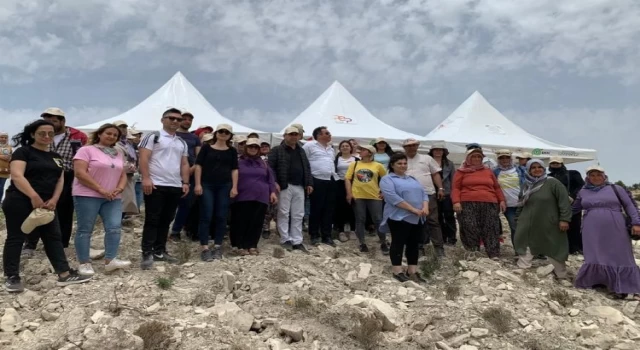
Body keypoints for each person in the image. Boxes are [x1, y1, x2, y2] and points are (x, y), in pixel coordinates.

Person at [3, 120, 92, 292]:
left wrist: (55, 199)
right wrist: (33, 196)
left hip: (47, 203)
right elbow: (17, 176)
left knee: (53, 237)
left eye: (50, 133)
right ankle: (12, 276)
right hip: (20, 200)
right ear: (32, 134)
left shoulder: (55, 157)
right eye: (42, 133)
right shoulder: (23, 152)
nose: (46, 136)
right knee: (16, 237)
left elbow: (60, 179)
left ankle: (64, 274)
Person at [24, 108, 88, 255]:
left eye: (53, 121)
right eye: (47, 121)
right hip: (43, 174)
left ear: (62, 121)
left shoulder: (77, 136)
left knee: (65, 210)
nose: (49, 124)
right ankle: (30, 244)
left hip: (68, 174)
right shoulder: (40, 134)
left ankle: (62, 243)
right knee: (38, 208)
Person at [572, 166, 640, 299]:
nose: (596, 178)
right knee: (594, 254)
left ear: (604, 176)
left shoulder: (616, 188)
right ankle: (597, 281)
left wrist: (636, 223)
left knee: (619, 254)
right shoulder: (583, 191)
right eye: (592, 175)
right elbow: (575, 208)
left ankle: (623, 287)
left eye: (599, 175)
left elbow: (629, 205)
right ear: (587, 177)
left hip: (616, 226)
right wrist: (561, 218)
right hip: (591, 228)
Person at [73, 124, 131, 276]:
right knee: (85, 229)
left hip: (112, 196)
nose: (111, 137)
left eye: (115, 135)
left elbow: (122, 173)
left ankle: (110, 260)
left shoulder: (118, 153)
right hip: (87, 194)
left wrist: (119, 188)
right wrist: (101, 189)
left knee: (114, 227)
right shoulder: (86, 150)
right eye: (108, 133)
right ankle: (84, 263)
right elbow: (80, 173)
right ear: (99, 134)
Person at [138, 108, 190, 270]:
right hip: (156, 183)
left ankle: (160, 251)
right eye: (171, 118)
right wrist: (146, 178)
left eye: (178, 119)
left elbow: (184, 163)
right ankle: (147, 252)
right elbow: (143, 158)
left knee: (166, 219)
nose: (175, 121)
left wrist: (186, 182)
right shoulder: (153, 137)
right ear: (163, 120)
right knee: (153, 219)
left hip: (174, 185)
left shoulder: (181, 142)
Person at [514, 159, 571, 279]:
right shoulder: (526, 184)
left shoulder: (553, 183)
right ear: (529, 170)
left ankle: (561, 274)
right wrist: (518, 218)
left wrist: (564, 219)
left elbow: (564, 201)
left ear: (544, 169)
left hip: (548, 221)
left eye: (539, 167)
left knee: (553, 245)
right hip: (528, 221)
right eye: (533, 168)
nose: (537, 170)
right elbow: (521, 202)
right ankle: (522, 269)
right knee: (526, 242)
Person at [380, 153, 429, 283]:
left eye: (404, 163)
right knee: (398, 243)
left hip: (417, 217)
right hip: (399, 217)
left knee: (414, 244)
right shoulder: (387, 179)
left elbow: (424, 194)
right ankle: (397, 271)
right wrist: (412, 209)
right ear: (392, 165)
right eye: (399, 163)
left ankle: (412, 271)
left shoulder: (412, 178)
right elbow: (393, 198)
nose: (403, 166)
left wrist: (425, 207)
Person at [194, 124, 238, 261]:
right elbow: (198, 166)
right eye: (221, 131)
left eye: (226, 132)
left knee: (221, 216)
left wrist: (234, 186)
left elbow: (234, 169)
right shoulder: (206, 148)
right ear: (216, 133)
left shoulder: (232, 151)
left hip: (224, 185)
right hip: (207, 184)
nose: (223, 133)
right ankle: (205, 247)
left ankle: (218, 245)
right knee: (206, 214)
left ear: (230, 135)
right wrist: (197, 184)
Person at [452, 148, 506, 259]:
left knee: (491, 227)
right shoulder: (461, 172)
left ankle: (493, 253)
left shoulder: (488, 171)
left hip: (489, 202)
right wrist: (456, 201)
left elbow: (496, 187)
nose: (476, 159)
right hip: (467, 202)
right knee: (469, 226)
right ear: (468, 158)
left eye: (479, 157)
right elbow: (456, 188)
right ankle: (473, 251)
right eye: (474, 157)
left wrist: (502, 200)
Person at [268, 126, 313, 253]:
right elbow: (270, 168)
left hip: (300, 186)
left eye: (296, 134)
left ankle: (297, 240)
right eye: (291, 134)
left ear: (299, 136)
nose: (293, 136)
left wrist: (309, 183)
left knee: (298, 214)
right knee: (283, 212)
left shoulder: (301, 151)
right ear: (285, 136)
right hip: (284, 185)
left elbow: (307, 168)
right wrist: (274, 182)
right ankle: (285, 238)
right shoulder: (277, 150)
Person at [230, 138, 277, 255]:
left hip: (261, 196)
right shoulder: (238, 161)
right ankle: (239, 245)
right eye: (250, 146)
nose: (253, 149)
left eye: (255, 147)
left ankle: (252, 244)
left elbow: (270, 179)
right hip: (242, 195)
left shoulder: (264, 163)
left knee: (257, 221)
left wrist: (272, 192)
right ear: (246, 148)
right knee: (241, 220)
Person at [403, 138, 446, 257]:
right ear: (404, 148)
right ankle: (418, 246)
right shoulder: (401, 160)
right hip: (408, 195)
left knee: (433, 221)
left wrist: (440, 188)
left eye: (413, 145)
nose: (411, 148)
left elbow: (435, 174)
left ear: (417, 146)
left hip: (428, 193)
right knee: (414, 221)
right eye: (408, 146)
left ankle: (439, 248)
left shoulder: (427, 159)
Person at [345, 145, 388, 253]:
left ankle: (383, 241)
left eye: (364, 150)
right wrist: (349, 193)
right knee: (360, 219)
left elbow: (386, 179)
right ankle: (362, 243)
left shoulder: (378, 165)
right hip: (358, 195)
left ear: (370, 153)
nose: (361, 151)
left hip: (374, 195)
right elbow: (347, 179)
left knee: (378, 219)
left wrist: (384, 191)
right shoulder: (354, 164)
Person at [169, 111, 202, 242]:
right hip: (172, 173)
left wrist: (192, 169)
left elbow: (199, 156)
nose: (187, 121)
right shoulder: (173, 135)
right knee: (170, 205)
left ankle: (176, 231)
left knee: (186, 204)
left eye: (190, 119)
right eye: (185, 119)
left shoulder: (195, 138)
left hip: (191, 173)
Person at [303, 126, 338, 246]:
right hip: (316, 179)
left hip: (331, 179)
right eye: (327, 133)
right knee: (316, 208)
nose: (330, 135)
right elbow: (304, 163)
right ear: (318, 135)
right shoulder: (309, 146)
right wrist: (308, 181)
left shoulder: (331, 148)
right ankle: (314, 234)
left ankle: (326, 235)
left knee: (329, 209)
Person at [548, 156, 585, 255]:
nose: (555, 165)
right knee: (557, 226)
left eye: (557, 163)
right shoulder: (548, 176)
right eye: (553, 163)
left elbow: (581, 186)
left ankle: (575, 248)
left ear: (562, 164)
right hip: (555, 205)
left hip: (572, 204)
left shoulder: (573, 174)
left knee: (574, 225)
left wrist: (573, 196)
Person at [493, 149, 526, 247]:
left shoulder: (520, 170)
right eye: (501, 158)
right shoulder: (495, 172)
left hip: (523, 203)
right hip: (508, 205)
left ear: (510, 158)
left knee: (526, 228)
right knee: (514, 227)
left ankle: (532, 251)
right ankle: (519, 251)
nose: (504, 160)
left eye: (506, 157)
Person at [429, 143, 457, 245]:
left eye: (440, 150)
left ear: (444, 152)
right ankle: (441, 237)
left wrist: (454, 194)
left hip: (447, 192)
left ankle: (452, 238)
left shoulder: (450, 164)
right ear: (432, 151)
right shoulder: (427, 163)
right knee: (437, 216)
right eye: (435, 150)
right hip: (432, 192)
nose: (438, 152)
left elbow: (453, 179)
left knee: (449, 215)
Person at [112, 121, 139, 218]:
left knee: (126, 200)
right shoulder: (113, 143)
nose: (123, 129)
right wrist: (129, 167)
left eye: (125, 127)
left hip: (128, 176)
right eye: (120, 127)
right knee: (120, 200)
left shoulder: (127, 144)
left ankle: (119, 221)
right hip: (117, 176)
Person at [333, 140, 357, 241]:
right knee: (340, 208)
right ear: (340, 148)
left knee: (352, 207)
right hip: (340, 184)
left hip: (354, 184)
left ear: (351, 148)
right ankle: (341, 231)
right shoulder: (337, 159)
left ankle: (352, 230)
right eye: (342, 146)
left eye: (347, 146)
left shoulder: (356, 159)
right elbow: (333, 171)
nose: (345, 147)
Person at [260, 140, 277, 238]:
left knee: (274, 208)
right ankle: (265, 228)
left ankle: (277, 228)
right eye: (262, 146)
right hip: (262, 186)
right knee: (265, 209)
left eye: (266, 146)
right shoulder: (257, 158)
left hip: (273, 184)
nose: (265, 148)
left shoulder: (273, 158)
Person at [129, 128, 144, 210]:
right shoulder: (126, 146)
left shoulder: (143, 146)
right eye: (134, 135)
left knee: (138, 192)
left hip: (140, 174)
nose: (136, 138)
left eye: (137, 136)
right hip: (130, 174)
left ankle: (135, 210)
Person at [0, 132, 12, 203]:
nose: (3, 139)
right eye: (2, 137)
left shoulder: (9, 147)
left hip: (4, 171)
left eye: (5, 137)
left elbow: (7, 157)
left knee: (1, 187)